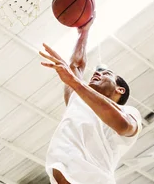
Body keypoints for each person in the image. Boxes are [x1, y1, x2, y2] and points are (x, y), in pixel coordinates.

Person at [39, 14, 142, 184]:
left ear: (120, 89)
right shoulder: (77, 100)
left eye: (105, 73)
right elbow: (76, 66)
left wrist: (76, 83)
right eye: (97, 72)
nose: (97, 73)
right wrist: (83, 32)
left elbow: (124, 126)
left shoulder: (129, 112)